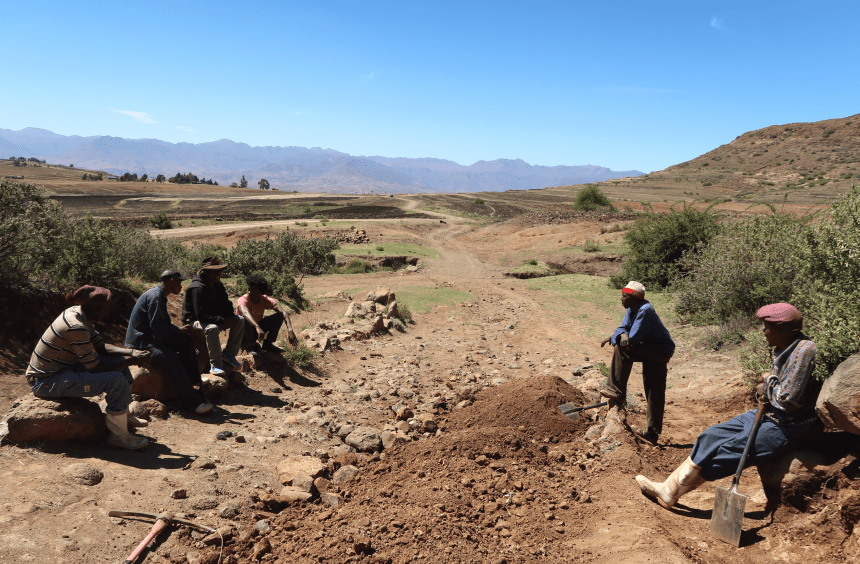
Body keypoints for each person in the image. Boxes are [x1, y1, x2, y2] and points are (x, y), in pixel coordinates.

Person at [635, 303, 822, 510]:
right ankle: (669, 488)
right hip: (770, 414)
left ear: (783, 329)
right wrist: (766, 388)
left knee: (729, 451)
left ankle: (671, 491)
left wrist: (767, 381)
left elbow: (788, 400)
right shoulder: (783, 348)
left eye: (766, 326)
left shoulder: (804, 352)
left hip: (789, 426)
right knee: (711, 435)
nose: (763, 331)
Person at [26, 286, 151, 450]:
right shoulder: (75, 325)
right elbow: (94, 367)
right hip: (46, 381)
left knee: (118, 359)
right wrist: (133, 361)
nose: (109, 309)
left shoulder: (80, 313)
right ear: (97, 306)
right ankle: (119, 436)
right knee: (115, 379)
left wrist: (131, 352)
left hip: (63, 369)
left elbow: (99, 347)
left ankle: (123, 414)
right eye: (108, 306)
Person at [125, 270, 213, 414]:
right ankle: (194, 403)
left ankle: (193, 380)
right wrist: (179, 330)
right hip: (143, 341)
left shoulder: (159, 294)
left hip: (151, 337)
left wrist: (181, 331)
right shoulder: (156, 297)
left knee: (185, 340)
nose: (181, 285)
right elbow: (157, 328)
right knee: (171, 359)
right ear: (171, 280)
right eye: (179, 281)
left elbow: (160, 327)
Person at [600, 281, 675, 444]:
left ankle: (616, 390)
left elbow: (632, 338)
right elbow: (622, 328)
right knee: (654, 390)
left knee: (622, 348)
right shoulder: (631, 308)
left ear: (634, 298)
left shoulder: (645, 310)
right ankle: (652, 434)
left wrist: (619, 337)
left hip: (660, 351)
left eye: (624, 296)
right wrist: (617, 335)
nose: (621, 299)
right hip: (651, 348)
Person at [182, 257, 244, 376]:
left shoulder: (218, 285)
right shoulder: (197, 288)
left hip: (213, 318)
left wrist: (230, 315)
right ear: (208, 273)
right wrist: (221, 320)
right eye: (216, 271)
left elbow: (226, 304)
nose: (219, 274)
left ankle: (229, 354)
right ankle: (216, 364)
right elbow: (200, 315)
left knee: (239, 320)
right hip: (194, 322)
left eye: (219, 271)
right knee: (212, 328)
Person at [236, 274, 299, 353]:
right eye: (249, 288)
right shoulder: (243, 300)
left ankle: (268, 344)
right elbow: (244, 312)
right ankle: (250, 345)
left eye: (253, 290)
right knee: (243, 319)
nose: (249, 291)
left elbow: (283, 312)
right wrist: (257, 327)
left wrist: (290, 330)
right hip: (242, 334)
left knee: (278, 316)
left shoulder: (264, 300)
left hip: (255, 331)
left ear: (260, 291)